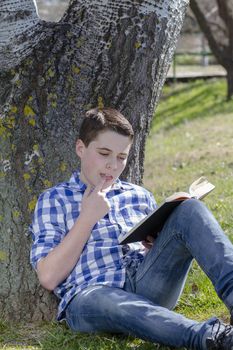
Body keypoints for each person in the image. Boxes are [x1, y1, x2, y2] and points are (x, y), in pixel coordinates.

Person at [30, 107, 233, 350]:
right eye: (104, 153)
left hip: (145, 284)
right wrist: (87, 218)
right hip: (91, 297)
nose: (112, 166)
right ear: (80, 149)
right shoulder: (53, 199)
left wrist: (154, 246)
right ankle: (214, 339)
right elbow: (48, 277)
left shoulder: (139, 195)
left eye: (121, 157)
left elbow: (152, 253)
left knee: (190, 209)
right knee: (108, 300)